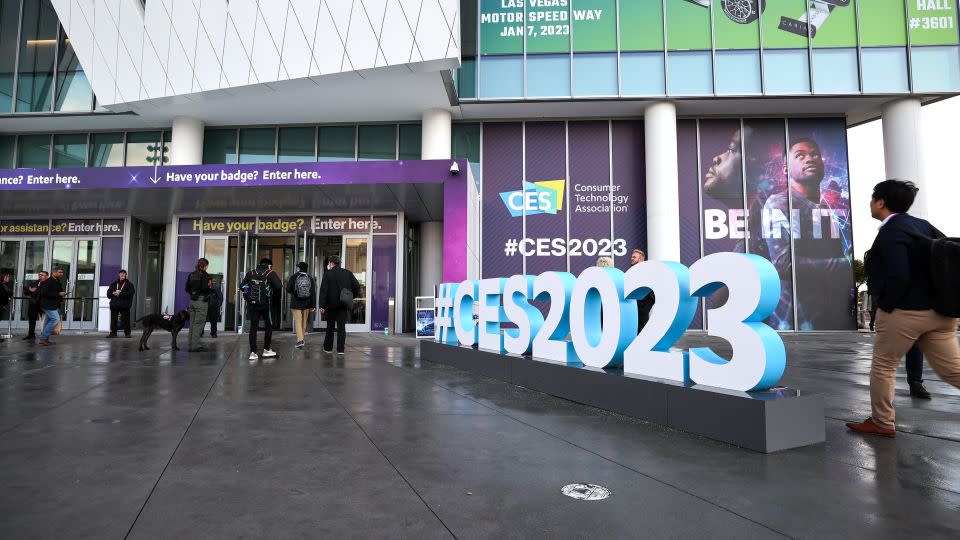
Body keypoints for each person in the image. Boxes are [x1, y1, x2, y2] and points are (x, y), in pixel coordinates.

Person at [847, 180, 960, 437]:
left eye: (872, 198)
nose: (871, 203)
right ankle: (881, 421)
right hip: (941, 312)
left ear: (881, 202)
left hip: (907, 312)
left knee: (884, 365)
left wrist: (886, 306)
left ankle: (882, 422)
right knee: (953, 369)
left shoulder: (891, 232)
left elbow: (899, 275)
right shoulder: (923, 226)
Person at [763, 137, 853, 330]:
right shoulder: (779, 203)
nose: (810, 159)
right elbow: (782, 264)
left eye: (815, 154)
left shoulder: (832, 206)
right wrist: (843, 265)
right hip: (796, 321)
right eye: (800, 155)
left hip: (834, 319)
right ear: (786, 169)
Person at [868, 279, 929, 399]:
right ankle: (909, 384)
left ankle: (914, 383)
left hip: (907, 303)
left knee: (913, 344)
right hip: (895, 304)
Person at [240, 258, 282, 360]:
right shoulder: (270, 273)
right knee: (268, 326)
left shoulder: (251, 272)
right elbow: (278, 287)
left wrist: (247, 296)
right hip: (266, 305)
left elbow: (242, 286)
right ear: (269, 266)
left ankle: (253, 352)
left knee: (253, 327)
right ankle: (266, 350)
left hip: (253, 304)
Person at [318, 255, 361, 355]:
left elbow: (323, 290)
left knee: (330, 326)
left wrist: (322, 305)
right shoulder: (348, 273)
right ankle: (340, 349)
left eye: (329, 263)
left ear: (331, 263)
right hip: (343, 305)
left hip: (331, 305)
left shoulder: (327, 274)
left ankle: (328, 348)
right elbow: (357, 286)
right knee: (341, 327)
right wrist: (350, 296)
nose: (328, 264)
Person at [184, 258, 213, 352]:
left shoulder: (191, 275)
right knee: (199, 324)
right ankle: (195, 346)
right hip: (201, 302)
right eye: (207, 265)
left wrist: (193, 294)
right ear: (205, 266)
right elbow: (206, 289)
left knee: (192, 324)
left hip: (192, 301)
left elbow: (187, 288)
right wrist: (211, 291)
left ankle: (191, 345)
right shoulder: (206, 276)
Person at [286, 262, 316, 349]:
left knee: (298, 321)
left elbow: (288, 289)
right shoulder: (310, 278)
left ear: (299, 268)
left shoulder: (294, 277)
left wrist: (294, 291)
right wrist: (313, 305)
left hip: (296, 303)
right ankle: (302, 339)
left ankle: (300, 341)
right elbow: (313, 293)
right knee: (304, 322)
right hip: (307, 303)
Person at [37, 268, 67, 346]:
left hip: (53, 305)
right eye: (60, 272)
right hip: (47, 305)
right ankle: (43, 338)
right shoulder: (47, 282)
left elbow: (55, 292)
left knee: (48, 321)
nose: (61, 274)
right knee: (55, 319)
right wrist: (59, 294)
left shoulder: (57, 281)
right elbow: (44, 294)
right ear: (54, 272)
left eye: (62, 272)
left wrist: (61, 294)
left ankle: (44, 339)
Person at [629, 249, 656, 332]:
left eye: (634, 257)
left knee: (641, 322)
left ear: (640, 260)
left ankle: (643, 342)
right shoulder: (633, 270)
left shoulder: (645, 270)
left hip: (645, 299)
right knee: (636, 322)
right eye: (632, 257)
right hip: (638, 299)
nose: (632, 258)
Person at [106, 270, 135, 338]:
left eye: (124, 274)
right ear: (119, 275)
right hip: (114, 305)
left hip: (124, 305)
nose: (122, 275)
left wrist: (120, 293)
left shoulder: (129, 284)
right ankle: (113, 333)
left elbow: (131, 294)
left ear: (125, 275)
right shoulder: (113, 284)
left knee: (126, 320)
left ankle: (127, 333)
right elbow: (108, 294)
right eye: (121, 274)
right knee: (113, 320)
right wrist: (113, 293)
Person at [22, 271, 47, 341]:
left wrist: (36, 289)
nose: (40, 276)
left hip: (44, 304)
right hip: (33, 304)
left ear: (46, 277)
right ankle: (31, 335)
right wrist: (30, 290)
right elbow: (26, 292)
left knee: (45, 321)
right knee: (32, 320)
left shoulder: (48, 284)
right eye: (40, 275)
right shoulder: (34, 283)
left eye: (42, 275)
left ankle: (44, 336)